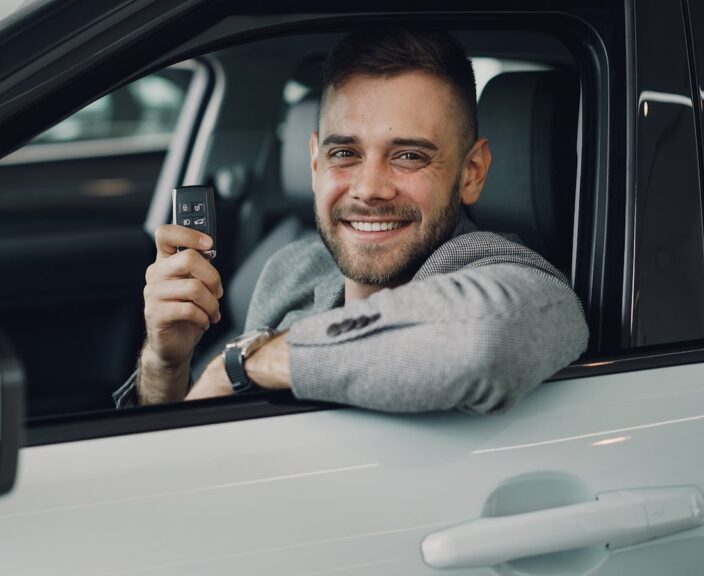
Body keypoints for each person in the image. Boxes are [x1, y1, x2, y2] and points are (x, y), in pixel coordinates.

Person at [113, 28, 588, 414]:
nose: (368, 188)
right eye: (345, 153)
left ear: (471, 173)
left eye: (408, 155)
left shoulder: (507, 274)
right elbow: (191, 441)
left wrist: (240, 365)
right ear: (315, 164)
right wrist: (165, 363)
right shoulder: (291, 268)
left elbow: (482, 338)